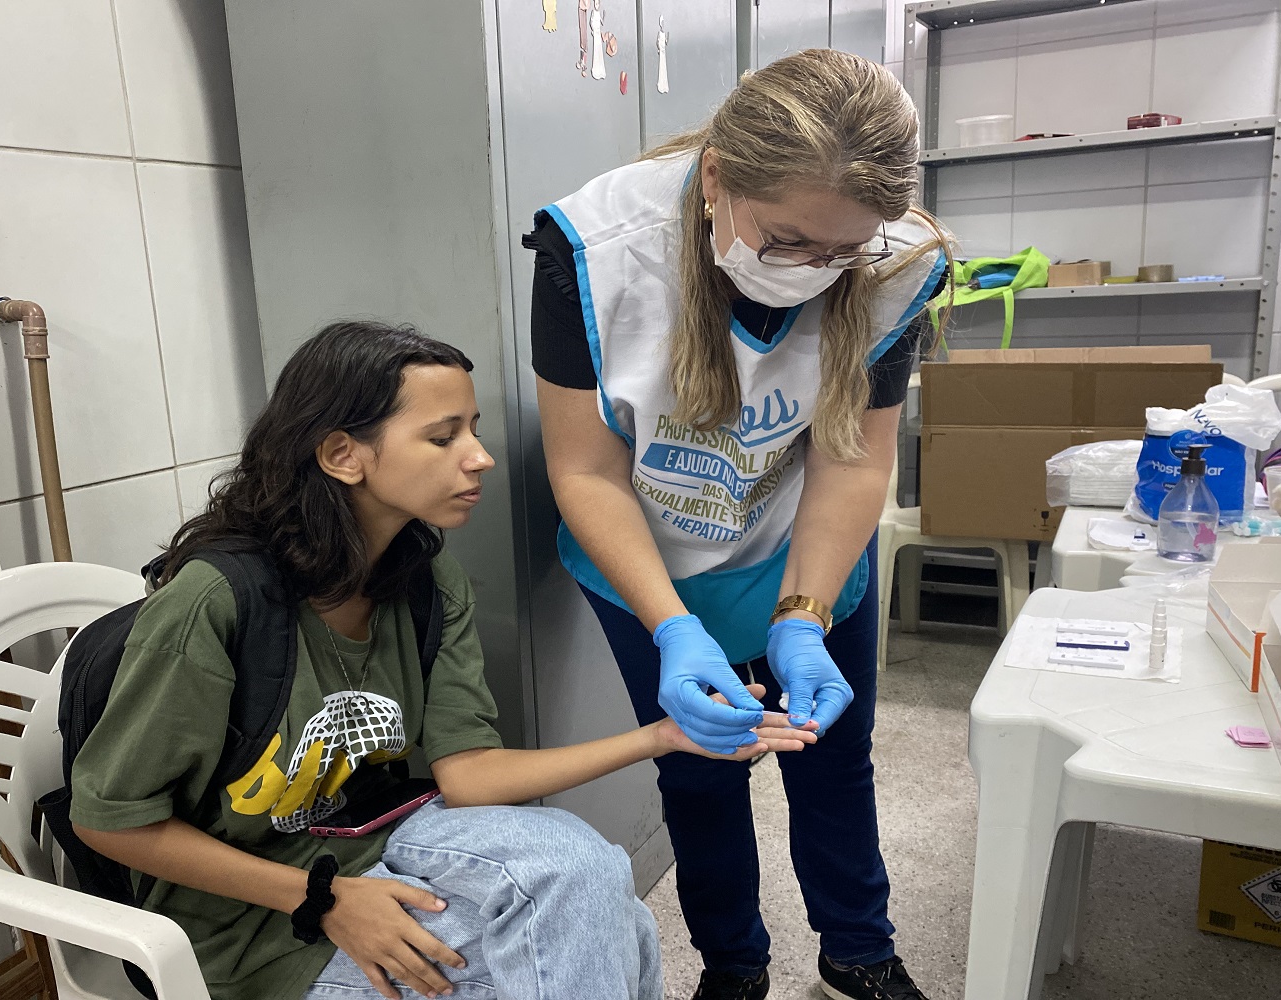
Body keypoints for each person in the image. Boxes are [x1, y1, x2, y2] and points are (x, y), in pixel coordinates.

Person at [68, 320, 818, 1000]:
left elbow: (468, 774)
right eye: (443, 437)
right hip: (246, 923)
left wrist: (660, 737)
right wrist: (322, 900)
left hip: (381, 842)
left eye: (475, 430)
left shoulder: (424, 578)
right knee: (622, 935)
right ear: (341, 454)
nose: (480, 457)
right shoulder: (215, 602)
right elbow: (111, 823)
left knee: (586, 876)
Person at [525, 50, 953, 1000]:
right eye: (789, 239)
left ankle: (859, 949)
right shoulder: (595, 250)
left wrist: (801, 616)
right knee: (700, 766)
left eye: (843, 251)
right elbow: (584, 470)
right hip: (648, 553)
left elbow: (855, 458)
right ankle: (732, 966)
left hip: (805, 543)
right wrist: (671, 628)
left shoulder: (899, 264)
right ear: (717, 175)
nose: (813, 271)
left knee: (832, 756)